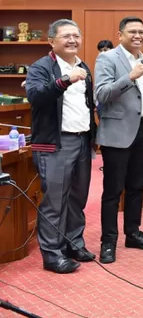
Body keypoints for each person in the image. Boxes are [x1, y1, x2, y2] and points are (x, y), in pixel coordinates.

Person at [25, 19, 97, 273]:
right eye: (66, 36)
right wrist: (64, 80)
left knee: (77, 198)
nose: (72, 40)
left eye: (76, 35)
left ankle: (73, 243)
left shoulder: (83, 66)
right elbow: (35, 96)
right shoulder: (41, 67)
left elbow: (87, 107)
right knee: (55, 201)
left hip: (81, 140)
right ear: (51, 41)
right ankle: (52, 254)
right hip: (56, 143)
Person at [95, 16, 143, 264]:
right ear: (120, 34)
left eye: (141, 31)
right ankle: (108, 242)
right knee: (113, 191)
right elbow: (101, 94)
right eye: (132, 31)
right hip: (117, 134)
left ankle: (133, 233)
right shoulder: (107, 58)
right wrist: (129, 77)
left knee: (137, 187)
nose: (137, 36)